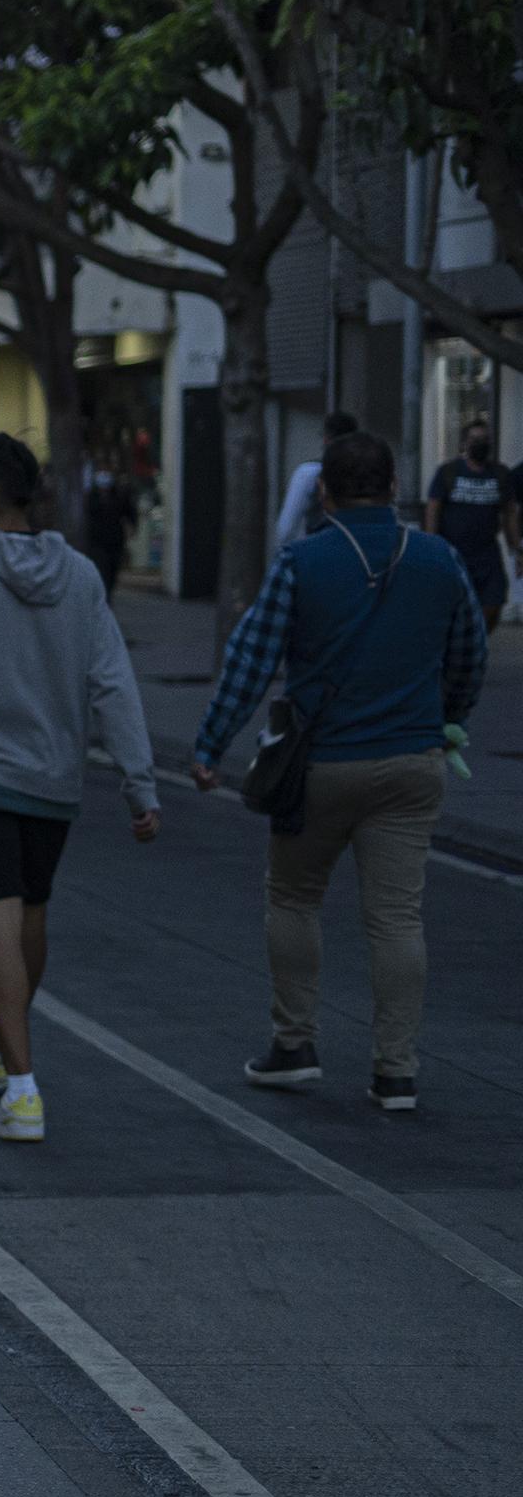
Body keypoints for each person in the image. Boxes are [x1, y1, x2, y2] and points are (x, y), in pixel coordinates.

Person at [191, 428, 487, 1114]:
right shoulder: (439, 559)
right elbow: (468, 655)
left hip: (322, 763)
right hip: (414, 762)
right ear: (391, 487)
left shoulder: (303, 561)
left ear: (324, 490)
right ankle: (396, 1072)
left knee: (294, 897)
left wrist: (208, 746)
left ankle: (294, 1045)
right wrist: (445, 720)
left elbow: (250, 661)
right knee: (397, 917)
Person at [0, 434, 160, 1145]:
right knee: (28, 911)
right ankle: (1, 1042)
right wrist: (141, 784)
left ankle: (21, 1092)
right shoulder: (79, 576)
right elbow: (112, 681)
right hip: (52, 777)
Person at [423, 420, 518, 631]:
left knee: (494, 603)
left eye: (485, 439)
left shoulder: (500, 473)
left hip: (487, 554)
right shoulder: (448, 472)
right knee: (453, 604)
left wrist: (516, 549)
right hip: (454, 552)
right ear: (464, 443)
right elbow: (433, 509)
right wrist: (431, 544)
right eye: (475, 439)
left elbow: (510, 512)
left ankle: (478, 638)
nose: (480, 444)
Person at [274, 411, 360, 548]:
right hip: (355, 551)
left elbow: (286, 529)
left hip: (318, 548)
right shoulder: (363, 473)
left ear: (326, 439)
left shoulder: (309, 473)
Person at [81, 464, 139, 601]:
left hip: (114, 539)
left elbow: (129, 513)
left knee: (112, 568)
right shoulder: (92, 497)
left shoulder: (119, 496)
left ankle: (107, 593)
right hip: (97, 540)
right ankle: (103, 594)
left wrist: (133, 527)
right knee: (102, 567)